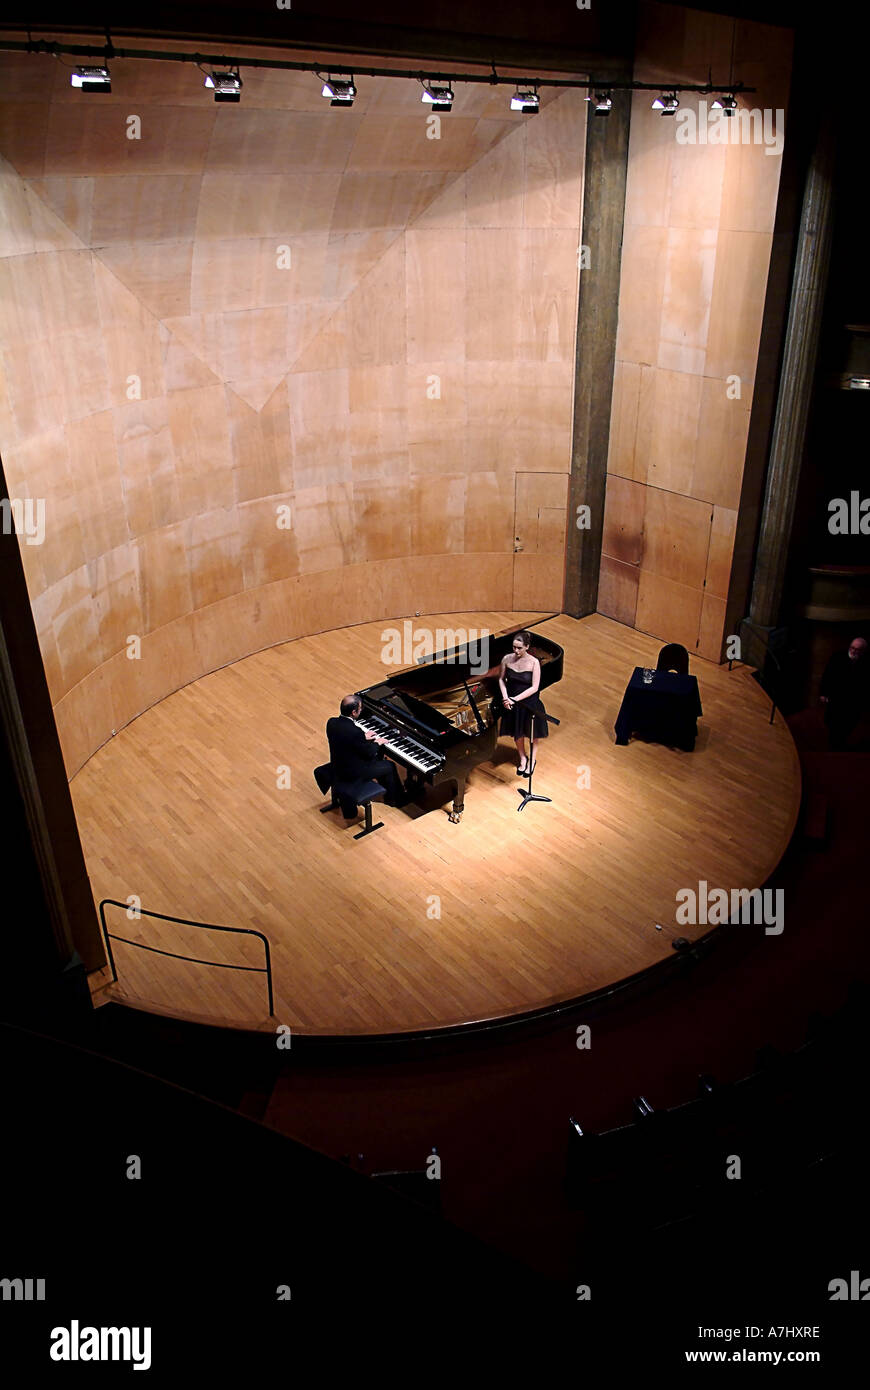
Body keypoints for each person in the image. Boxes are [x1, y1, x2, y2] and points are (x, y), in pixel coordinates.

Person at [326, 694, 406, 810]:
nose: (361, 710)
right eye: (360, 708)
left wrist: (363, 736)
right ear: (354, 712)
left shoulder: (332, 722)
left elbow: (345, 739)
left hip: (338, 764)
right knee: (389, 766)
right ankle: (395, 800)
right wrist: (377, 742)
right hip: (352, 773)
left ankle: (387, 790)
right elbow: (369, 752)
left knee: (379, 762)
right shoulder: (354, 732)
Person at [498, 631, 549, 776]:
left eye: (519, 648)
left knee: (532, 734)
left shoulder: (534, 662)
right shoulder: (506, 659)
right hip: (512, 701)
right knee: (517, 732)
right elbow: (501, 679)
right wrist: (505, 697)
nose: (516, 651)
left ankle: (532, 760)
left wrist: (515, 699)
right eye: (514, 647)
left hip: (529, 702)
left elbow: (535, 687)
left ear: (527, 646)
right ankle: (522, 758)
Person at [819, 636, 869, 750]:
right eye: (852, 648)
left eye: (857, 650)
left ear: (863, 651)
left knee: (847, 725)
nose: (853, 651)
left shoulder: (866, 663)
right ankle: (833, 746)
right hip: (836, 698)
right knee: (832, 724)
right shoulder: (838, 657)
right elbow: (827, 675)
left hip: (853, 702)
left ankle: (838, 744)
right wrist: (823, 693)